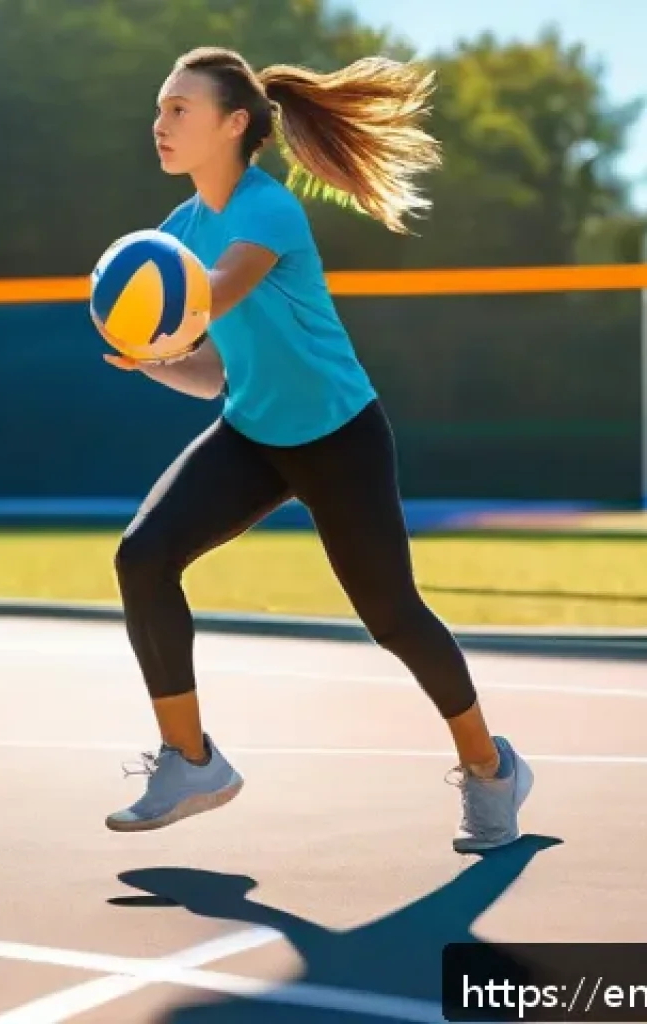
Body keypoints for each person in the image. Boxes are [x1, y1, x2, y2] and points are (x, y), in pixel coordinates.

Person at [99, 46, 533, 853]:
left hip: (340, 437)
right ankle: (191, 759)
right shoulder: (177, 232)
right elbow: (213, 370)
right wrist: (152, 358)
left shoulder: (266, 212)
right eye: (159, 109)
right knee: (141, 557)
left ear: (233, 125)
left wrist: (153, 318)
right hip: (253, 433)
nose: (159, 125)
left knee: (393, 616)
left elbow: (213, 294)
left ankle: (491, 769)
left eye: (178, 110)